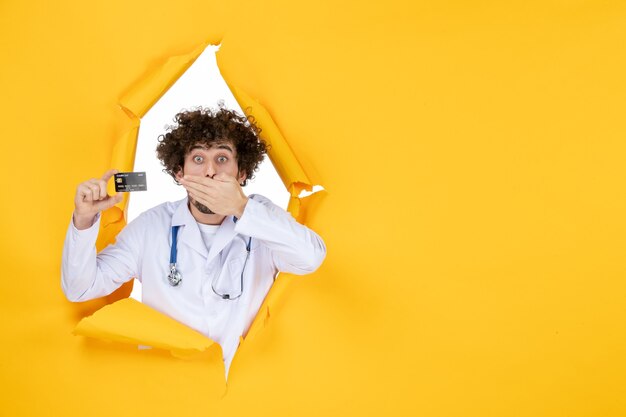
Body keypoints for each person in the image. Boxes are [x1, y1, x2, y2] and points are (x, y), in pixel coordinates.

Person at [61, 107, 326, 377]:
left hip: (244, 391)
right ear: (180, 173)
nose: (210, 171)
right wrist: (84, 221)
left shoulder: (262, 217)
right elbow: (80, 289)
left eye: (222, 158)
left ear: (242, 173)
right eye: (198, 158)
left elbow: (311, 257)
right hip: (169, 391)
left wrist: (243, 208)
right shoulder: (150, 227)